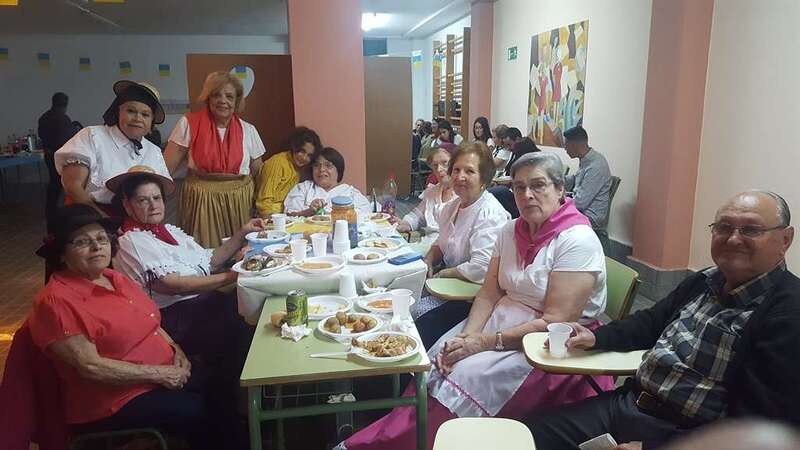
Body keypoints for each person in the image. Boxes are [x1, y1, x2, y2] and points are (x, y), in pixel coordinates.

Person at [337, 152, 612, 450]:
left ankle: (403, 442)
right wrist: (467, 336)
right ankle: (396, 434)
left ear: (560, 190)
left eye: (538, 185)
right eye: (519, 187)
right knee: (441, 355)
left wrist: (482, 343)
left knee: (467, 373)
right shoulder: (511, 230)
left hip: (548, 344)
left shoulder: (576, 240)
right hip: (501, 320)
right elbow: (489, 293)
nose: (527, 195)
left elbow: (555, 320)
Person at [525, 190, 800, 449]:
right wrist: (596, 337)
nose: (733, 239)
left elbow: (759, 426)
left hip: (689, 434)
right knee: (524, 434)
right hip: (630, 404)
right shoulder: (705, 280)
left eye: (751, 230)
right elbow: (651, 322)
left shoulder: (788, 313)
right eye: (724, 227)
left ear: (785, 239)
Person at [28, 204, 229, 449]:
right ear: (61, 253)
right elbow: (91, 367)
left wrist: (177, 351)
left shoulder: (114, 278)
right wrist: (161, 374)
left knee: (223, 382)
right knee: (198, 409)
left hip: (159, 375)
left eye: (101, 238)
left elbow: (151, 323)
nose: (96, 246)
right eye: (81, 242)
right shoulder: (56, 301)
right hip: (114, 400)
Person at [415, 142, 511, 348]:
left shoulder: (490, 214)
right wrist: (429, 259)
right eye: (456, 170)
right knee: (401, 301)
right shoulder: (452, 207)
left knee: (417, 321)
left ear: (484, 178)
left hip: (473, 297)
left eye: (469, 171)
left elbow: (482, 267)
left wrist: (445, 273)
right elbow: (442, 243)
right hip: (447, 288)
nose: (460, 177)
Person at [163, 71, 266, 248]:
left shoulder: (248, 130)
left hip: (239, 201)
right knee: (204, 250)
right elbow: (165, 168)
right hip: (201, 200)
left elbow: (259, 172)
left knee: (240, 250)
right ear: (208, 98)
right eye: (216, 95)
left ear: (237, 101)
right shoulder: (188, 123)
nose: (222, 101)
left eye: (229, 96)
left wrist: (262, 205)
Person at [55, 81, 170, 216]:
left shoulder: (154, 151)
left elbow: (160, 194)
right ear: (118, 112)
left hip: (139, 219)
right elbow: (73, 186)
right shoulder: (92, 136)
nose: (137, 118)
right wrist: (104, 220)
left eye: (145, 115)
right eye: (131, 111)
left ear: (151, 122)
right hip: (90, 216)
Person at [255, 126, 321, 217]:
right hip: (271, 216)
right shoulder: (277, 163)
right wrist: (273, 221)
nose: (304, 158)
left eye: (309, 155)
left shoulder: (299, 168)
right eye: (302, 151)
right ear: (294, 146)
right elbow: (264, 203)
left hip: (288, 215)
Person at [284, 147, 371, 215]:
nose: (321, 169)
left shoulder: (350, 192)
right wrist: (309, 212)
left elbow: (366, 213)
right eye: (316, 165)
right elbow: (289, 214)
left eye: (328, 165)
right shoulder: (303, 188)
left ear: (338, 170)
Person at [396, 147, 456, 236]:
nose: (439, 169)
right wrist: (405, 224)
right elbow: (417, 216)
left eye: (445, 163)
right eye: (435, 165)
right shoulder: (432, 192)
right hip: (429, 242)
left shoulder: (464, 195)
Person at [38, 92, 75, 233]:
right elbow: (67, 140)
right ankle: (62, 215)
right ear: (65, 104)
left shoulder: (43, 117)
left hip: (48, 155)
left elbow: (41, 136)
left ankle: (50, 212)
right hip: (60, 156)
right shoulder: (63, 119)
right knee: (65, 185)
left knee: (53, 183)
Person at [563, 125, 612, 229]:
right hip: (582, 209)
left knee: (551, 216)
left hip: (591, 216)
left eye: (566, 145)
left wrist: (560, 200)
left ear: (575, 145)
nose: (565, 149)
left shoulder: (596, 166)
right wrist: (556, 180)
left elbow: (580, 203)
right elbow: (576, 179)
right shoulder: (586, 159)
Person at [489, 138, 541, 218]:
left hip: (518, 195)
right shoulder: (524, 160)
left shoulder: (534, 164)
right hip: (514, 191)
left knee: (494, 193)